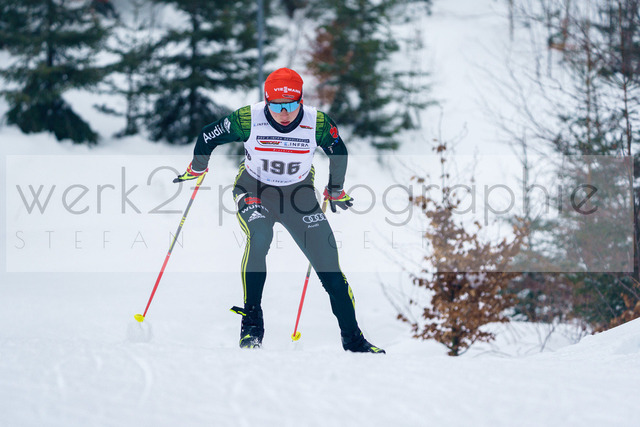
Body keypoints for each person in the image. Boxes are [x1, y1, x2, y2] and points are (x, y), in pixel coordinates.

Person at [174, 68, 385, 354]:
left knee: (330, 268)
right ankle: (252, 324)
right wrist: (198, 167)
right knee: (259, 237)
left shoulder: (317, 123)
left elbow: (339, 152)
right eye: (275, 106)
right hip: (254, 190)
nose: (283, 113)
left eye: (290, 105)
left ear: (301, 100)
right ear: (266, 101)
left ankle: (354, 340)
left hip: (298, 196)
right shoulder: (248, 118)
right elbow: (208, 135)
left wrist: (335, 189)